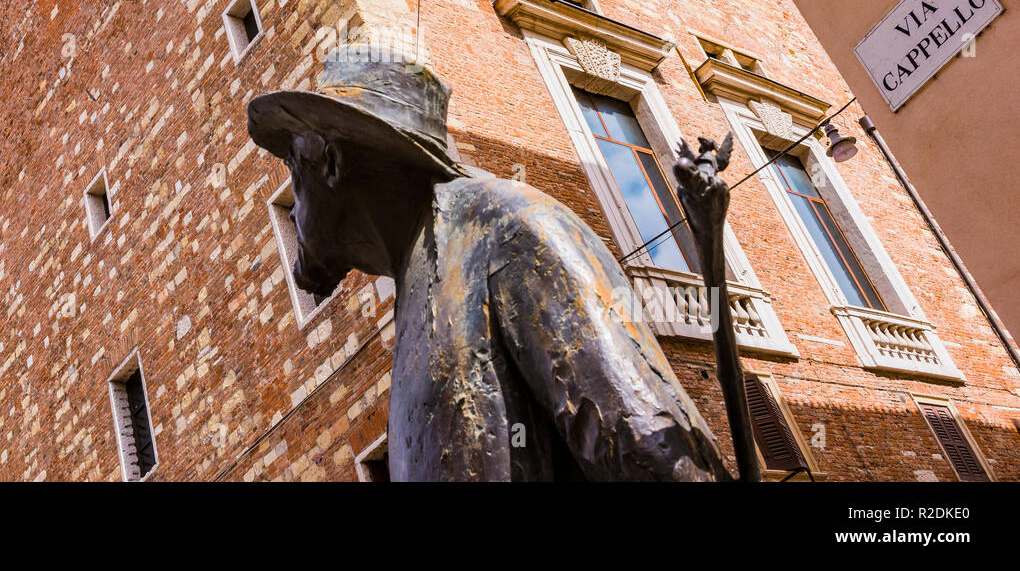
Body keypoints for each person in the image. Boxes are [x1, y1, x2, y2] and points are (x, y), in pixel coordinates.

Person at [248, 45, 729, 481]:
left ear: (331, 164)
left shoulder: (512, 230)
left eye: (295, 168)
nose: (296, 205)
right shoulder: (421, 280)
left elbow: (647, 450)